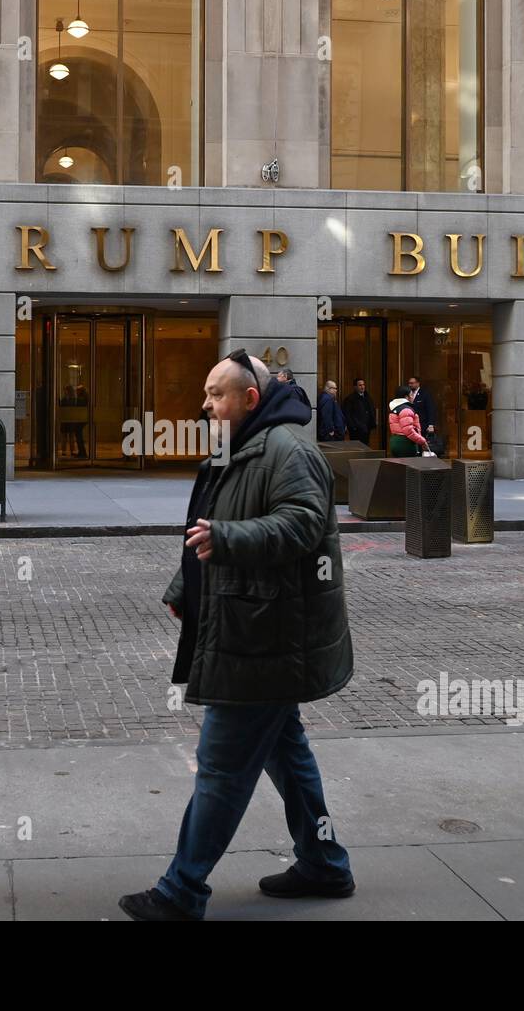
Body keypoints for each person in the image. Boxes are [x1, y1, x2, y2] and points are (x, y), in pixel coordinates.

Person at [119, 350, 355, 920]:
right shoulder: (245, 445)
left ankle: (181, 892)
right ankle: (324, 862)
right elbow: (207, 522)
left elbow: (301, 523)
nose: (205, 405)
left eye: (216, 395)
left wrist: (227, 539)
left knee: (222, 766)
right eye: (205, 394)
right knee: (284, 749)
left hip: (267, 636)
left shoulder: (288, 451)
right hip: (251, 627)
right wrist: (186, 586)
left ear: (250, 398)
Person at [388, 387, 432, 457]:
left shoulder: (395, 408)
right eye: (411, 395)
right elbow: (408, 430)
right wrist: (422, 441)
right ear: (406, 397)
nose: (412, 397)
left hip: (395, 441)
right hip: (405, 443)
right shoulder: (406, 409)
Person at [342, 377, 377, 447]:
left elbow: (371, 410)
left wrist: (372, 423)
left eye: (363, 385)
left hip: (367, 428)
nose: (362, 387)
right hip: (356, 430)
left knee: (366, 447)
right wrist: (353, 427)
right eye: (360, 385)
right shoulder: (350, 399)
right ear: (355, 387)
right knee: (357, 448)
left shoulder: (368, 397)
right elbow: (347, 414)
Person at [407, 376, 437, 451]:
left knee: (421, 444)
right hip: (411, 424)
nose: (410, 385)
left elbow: (430, 409)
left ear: (418, 383)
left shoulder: (425, 394)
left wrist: (431, 424)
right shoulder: (407, 394)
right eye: (409, 383)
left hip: (422, 424)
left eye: (412, 383)